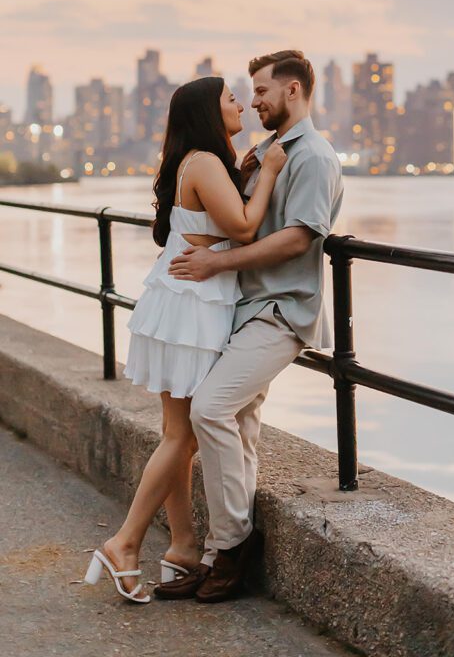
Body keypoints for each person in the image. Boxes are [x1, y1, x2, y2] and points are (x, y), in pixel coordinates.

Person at [84, 76, 286, 603]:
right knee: (183, 437)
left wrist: (245, 169)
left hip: (178, 301)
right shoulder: (204, 162)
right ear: (206, 111)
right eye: (230, 98)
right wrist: (267, 172)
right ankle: (124, 543)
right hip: (191, 307)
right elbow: (243, 229)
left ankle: (181, 548)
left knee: (178, 434)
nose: (240, 103)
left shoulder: (198, 162)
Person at [157, 49, 343, 604]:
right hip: (242, 308)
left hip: (282, 310)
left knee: (209, 408)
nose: (253, 100)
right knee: (238, 425)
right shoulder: (265, 152)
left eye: (260, 91)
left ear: (292, 91)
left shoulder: (312, 156)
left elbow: (298, 238)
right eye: (248, 93)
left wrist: (216, 262)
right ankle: (218, 556)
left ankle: (232, 547)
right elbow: (240, 219)